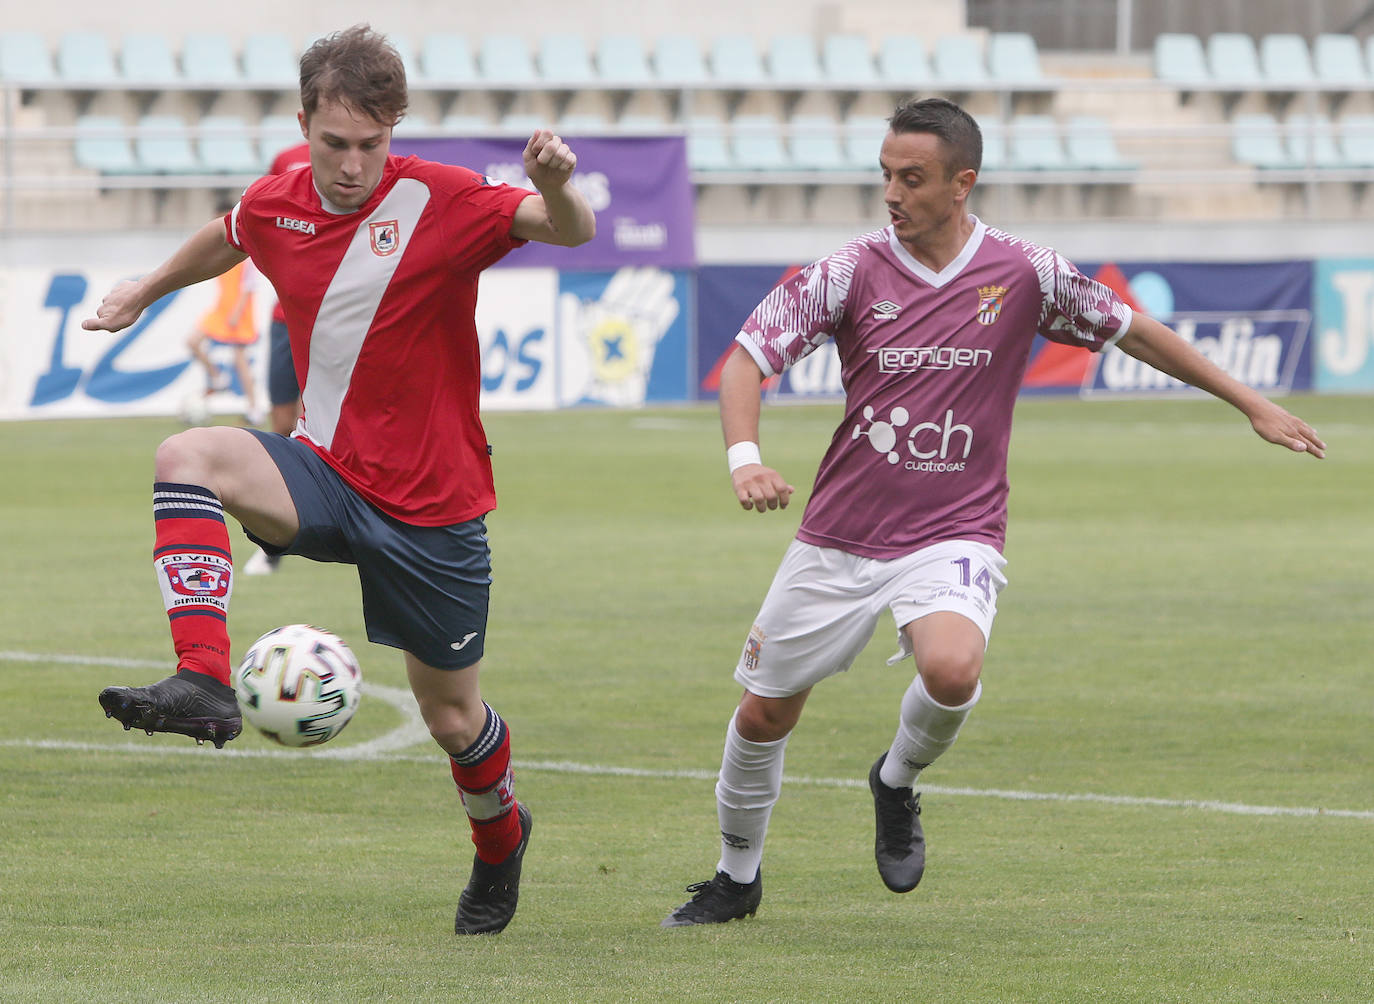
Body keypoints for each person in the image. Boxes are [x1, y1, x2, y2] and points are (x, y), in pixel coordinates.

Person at [661, 97, 1325, 927]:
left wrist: (1249, 403)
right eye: (885, 177)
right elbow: (745, 361)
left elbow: (1135, 331)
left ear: (961, 183)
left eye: (912, 179)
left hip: (954, 528)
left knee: (952, 670)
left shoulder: (1023, 271)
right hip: (841, 534)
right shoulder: (848, 270)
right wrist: (746, 459)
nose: (893, 195)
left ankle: (895, 780)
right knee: (764, 712)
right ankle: (736, 876)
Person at [82, 25, 595, 936]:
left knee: (449, 716)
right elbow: (229, 233)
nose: (354, 164)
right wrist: (144, 290)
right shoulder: (279, 203)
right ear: (303, 124)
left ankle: (500, 839)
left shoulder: (444, 199)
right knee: (184, 456)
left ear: (393, 132)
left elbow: (568, 229)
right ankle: (203, 679)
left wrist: (556, 181)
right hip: (323, 471)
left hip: (434, 511)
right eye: (335, 144)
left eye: (372, 144)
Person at [242, 139, 311, 576]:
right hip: (285, 318)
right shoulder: (285, 159)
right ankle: (273, 543)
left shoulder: (357, 158)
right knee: (282, 425)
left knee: (323, 422)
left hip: (333, 322)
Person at [184, 246, 264, 426]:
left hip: (239, 311)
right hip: (221, 309)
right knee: (192, 342)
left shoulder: (249, 256)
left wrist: (237, 312)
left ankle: (254, 409)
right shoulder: (225, 251)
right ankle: (217, 377)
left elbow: (249, 285)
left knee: (240, 361)